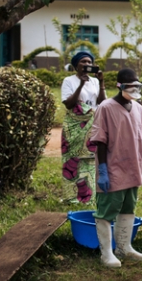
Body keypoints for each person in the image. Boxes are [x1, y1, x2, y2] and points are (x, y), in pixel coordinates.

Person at [90, 68, 142, 268]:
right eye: (129, 86)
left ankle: (124, 247)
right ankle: (106, 253)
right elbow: (100, 141)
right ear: (119, 86)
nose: (134, 90)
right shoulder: (106, 108)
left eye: (136, 85)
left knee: (128, 208)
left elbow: (141, 140)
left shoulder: (139, 109)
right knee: (107, 209)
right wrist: (102, 170)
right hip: (113, 168)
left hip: (133, 167)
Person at [60, 51, 105, 204]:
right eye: (83, 62)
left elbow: (101, 102)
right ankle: (71, 196)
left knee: (90, 159)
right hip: (74, 125)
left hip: (92, 123)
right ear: (75, 65)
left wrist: (102, 83)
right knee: (72, 159)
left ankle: (87, 196)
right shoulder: (69, 80)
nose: (87, 65)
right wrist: (80, 85)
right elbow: (68, 103)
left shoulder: (95, 81)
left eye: (89, 62)